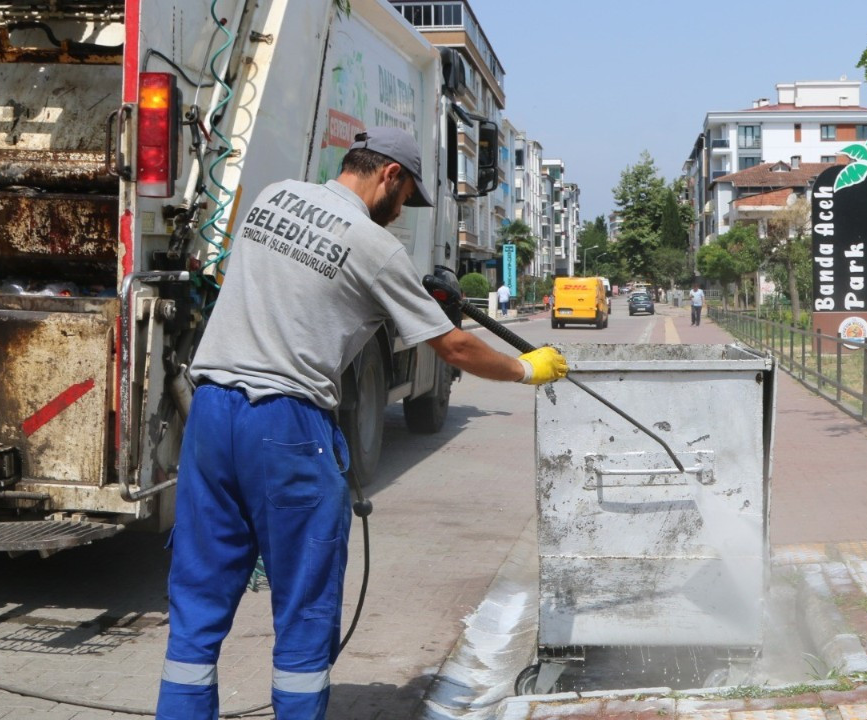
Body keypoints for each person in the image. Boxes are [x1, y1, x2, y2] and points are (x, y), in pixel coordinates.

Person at [155, 126, 567, 720]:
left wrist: (409, 293)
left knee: (198, 596)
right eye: (404, 201)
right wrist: (526, 369)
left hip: (212, 413)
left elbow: (307, 286)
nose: (399, 216)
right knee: (304, 604)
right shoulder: (376, 249)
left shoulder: (273, 197)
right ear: (390, 176)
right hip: (286, 425)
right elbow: (452, 347)